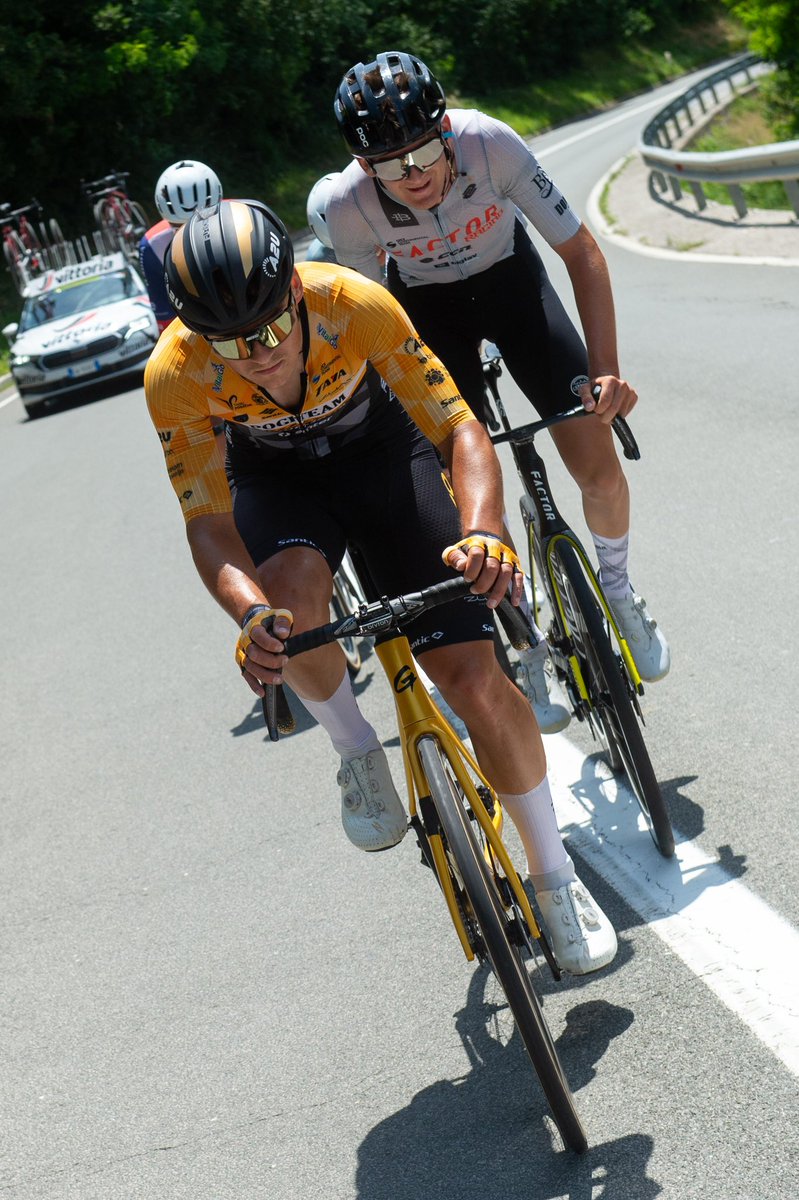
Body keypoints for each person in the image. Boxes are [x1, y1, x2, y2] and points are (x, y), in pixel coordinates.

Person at [144, 198, 617, 975]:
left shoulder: (353, 303)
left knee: (473, 679)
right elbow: (207, 521)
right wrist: (249, 612)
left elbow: (458, 428)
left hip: (383, 456)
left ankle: (556, 879)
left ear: (295, 294)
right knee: (287, 605)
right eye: (229, 344)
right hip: (276, 481)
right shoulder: (176, 374)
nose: (256, 356)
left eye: (266, 331)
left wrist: (485, 528)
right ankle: (356, 749)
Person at [327, 51, 671, 728]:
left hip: (515, 289)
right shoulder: (343, 207)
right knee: (469, 482)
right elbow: (370, 326)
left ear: (446, 129)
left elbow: (580, 253)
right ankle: (527, 641)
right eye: (389, 165)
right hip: (428, 319)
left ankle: (620, 591)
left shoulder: (490, 143)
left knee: (595, 468)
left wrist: (604, 367)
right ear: (363, 167)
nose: (414, 175)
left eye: (423, 151)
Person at [138, 159, 223, 331]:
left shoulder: (243, 216)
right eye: (180, 228)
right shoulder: (152, 247)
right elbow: (166, 321)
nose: (192, 237)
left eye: (203, 225)